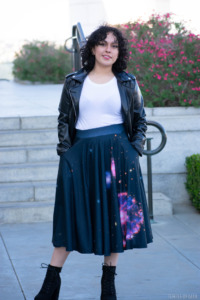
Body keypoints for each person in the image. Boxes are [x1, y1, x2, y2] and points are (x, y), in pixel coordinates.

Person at [34, 25, 153, 300]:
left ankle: (107, 285)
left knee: (115, 220)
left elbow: (140, 119)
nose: (108, 49)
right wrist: (66, 153)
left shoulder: (127, 82)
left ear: (119, 51)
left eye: (114, 45)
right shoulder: (74, 81)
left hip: (120, 156)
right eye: (102, 44)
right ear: (92, 48)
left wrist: (134, 149)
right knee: (70, 217)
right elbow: (64, 119)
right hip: (81, 155)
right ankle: (50, 283)